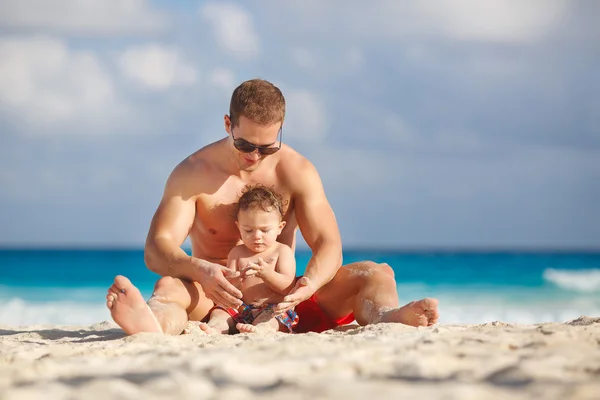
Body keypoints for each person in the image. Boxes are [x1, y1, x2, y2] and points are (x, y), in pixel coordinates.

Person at [105, 78, 439, 336]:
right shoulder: (193, 173)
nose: (254, 156)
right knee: (168, 288)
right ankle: (155, 324)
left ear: (280, 130)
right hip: (215, 299)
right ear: (227, 124)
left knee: (375, 272)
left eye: (266, 147)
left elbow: (328, 245)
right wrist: (199, 269)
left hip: (283, 298)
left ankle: (387, 317)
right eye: (244, 144)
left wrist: (307, 284)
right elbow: (156, 248)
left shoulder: (296, 171)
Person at [200, 183, 299, 334]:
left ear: (280, 227)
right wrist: (237, 279)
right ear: (239, 227)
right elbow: (229, 284)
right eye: (248, 230)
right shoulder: (237, 253)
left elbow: (287, 287)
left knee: (271, 317)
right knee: (221, 311)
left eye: (265, 230)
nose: (257, 236)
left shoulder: (282, 251)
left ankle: (262, 328)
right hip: (242, 307)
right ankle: (217, 327)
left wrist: (267, 274)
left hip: (273, 307)